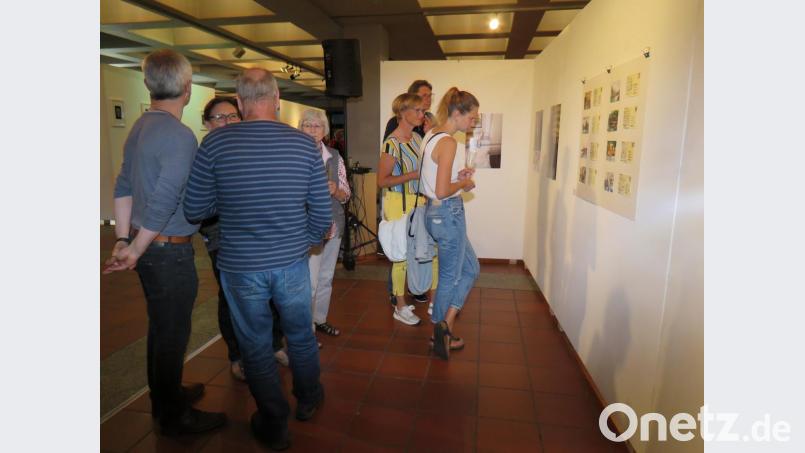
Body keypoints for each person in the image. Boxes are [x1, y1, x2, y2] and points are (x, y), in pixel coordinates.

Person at [183, 68, 331, 450]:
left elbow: (195, 207)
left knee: (255, 344)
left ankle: (274, 421)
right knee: (299, 335)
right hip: (291, 263)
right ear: (277, 96)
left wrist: (230, 199)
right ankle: (309, 397)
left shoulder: (214, 146)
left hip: (240, 266)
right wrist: (304, 244)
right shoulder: (303, 146)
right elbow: (321, 215)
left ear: (239, 99)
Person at [103, 49, 227, 435]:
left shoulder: (140, 126)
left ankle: (166, 396)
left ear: (148, 84)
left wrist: (123, 239)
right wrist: (134, 250)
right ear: (187, 90)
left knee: (161, 329)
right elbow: (165, 198)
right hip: (167, 251)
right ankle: (174, 417)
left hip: (150, 248)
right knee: (171, 334)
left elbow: (123, 184)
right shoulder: (180, 136)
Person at [420, 87, 482, 360]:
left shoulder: (431, 135)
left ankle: (446, 325)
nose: (474, 122)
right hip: (447, 213)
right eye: (472, 117)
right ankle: (439, 334)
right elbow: (444, 190)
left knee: (471, 268)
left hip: (434, 213)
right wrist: (465, 183)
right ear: (457, 113)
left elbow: (435, 181)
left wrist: (458, 178)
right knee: (450, 276)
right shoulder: (448, 142)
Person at [377, 93, 438, 326]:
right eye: (419, 110)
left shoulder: (415, 138)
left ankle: (433, 301)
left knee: (429, 252)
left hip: (419, 202)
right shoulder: (391, 144)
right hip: (398, 204)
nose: (423, 114)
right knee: (401, 256)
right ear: (403, 112)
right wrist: (412, 175)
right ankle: (400, 305)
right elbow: (382, 181)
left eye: (423, 111)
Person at [198, 98, 247, 380]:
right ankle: (237, 355)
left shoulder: (249, 149)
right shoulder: (204, 154)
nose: (227, 122)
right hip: (221, 236)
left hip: (253, 237)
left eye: (232, 116)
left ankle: (272, 346)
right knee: (229, 297)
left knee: (266, 297)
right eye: (219, 118)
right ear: (207, 123)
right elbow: (197, 205)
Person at [298, 109, 351, 338]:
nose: (312, 130)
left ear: (325, 130)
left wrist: (336, 190)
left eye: (317, 125)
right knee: (309, 281)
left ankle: (320, 319)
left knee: (326, 277)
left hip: (333, 223)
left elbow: (346, 195)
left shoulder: (334, 156)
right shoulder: (294, 154)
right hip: (307, 227)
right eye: (307, 125)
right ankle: (306, 330)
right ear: (300, 128)